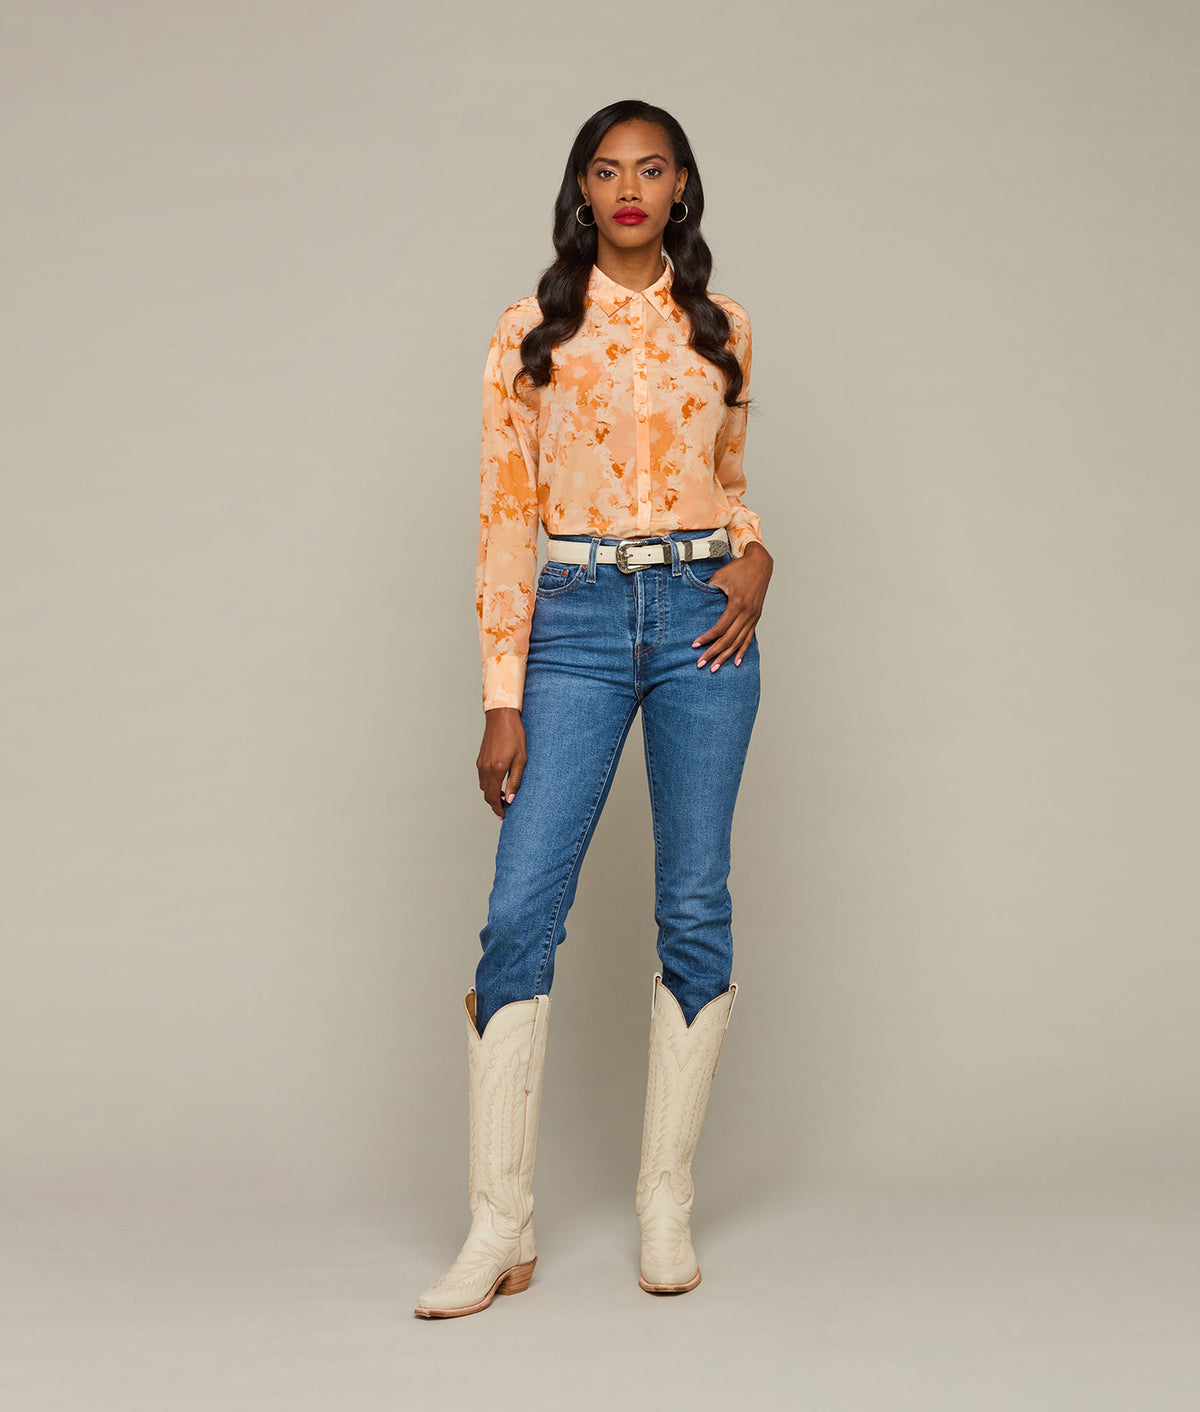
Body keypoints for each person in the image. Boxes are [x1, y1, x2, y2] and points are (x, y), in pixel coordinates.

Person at [415, 100, 773, 1319]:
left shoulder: (722, 326)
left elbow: (730, 482)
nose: (630, 187)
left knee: (695, 899)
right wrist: (500, 694)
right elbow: (503, 515)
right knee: (521, 909)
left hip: (702, 620)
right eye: (607, 169)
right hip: (571, 620)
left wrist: (759, 554)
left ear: (681, 189)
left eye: (652, 168)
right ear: (581, 189)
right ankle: (499, 1222)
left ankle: (664, 1197)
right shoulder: (531, 330)